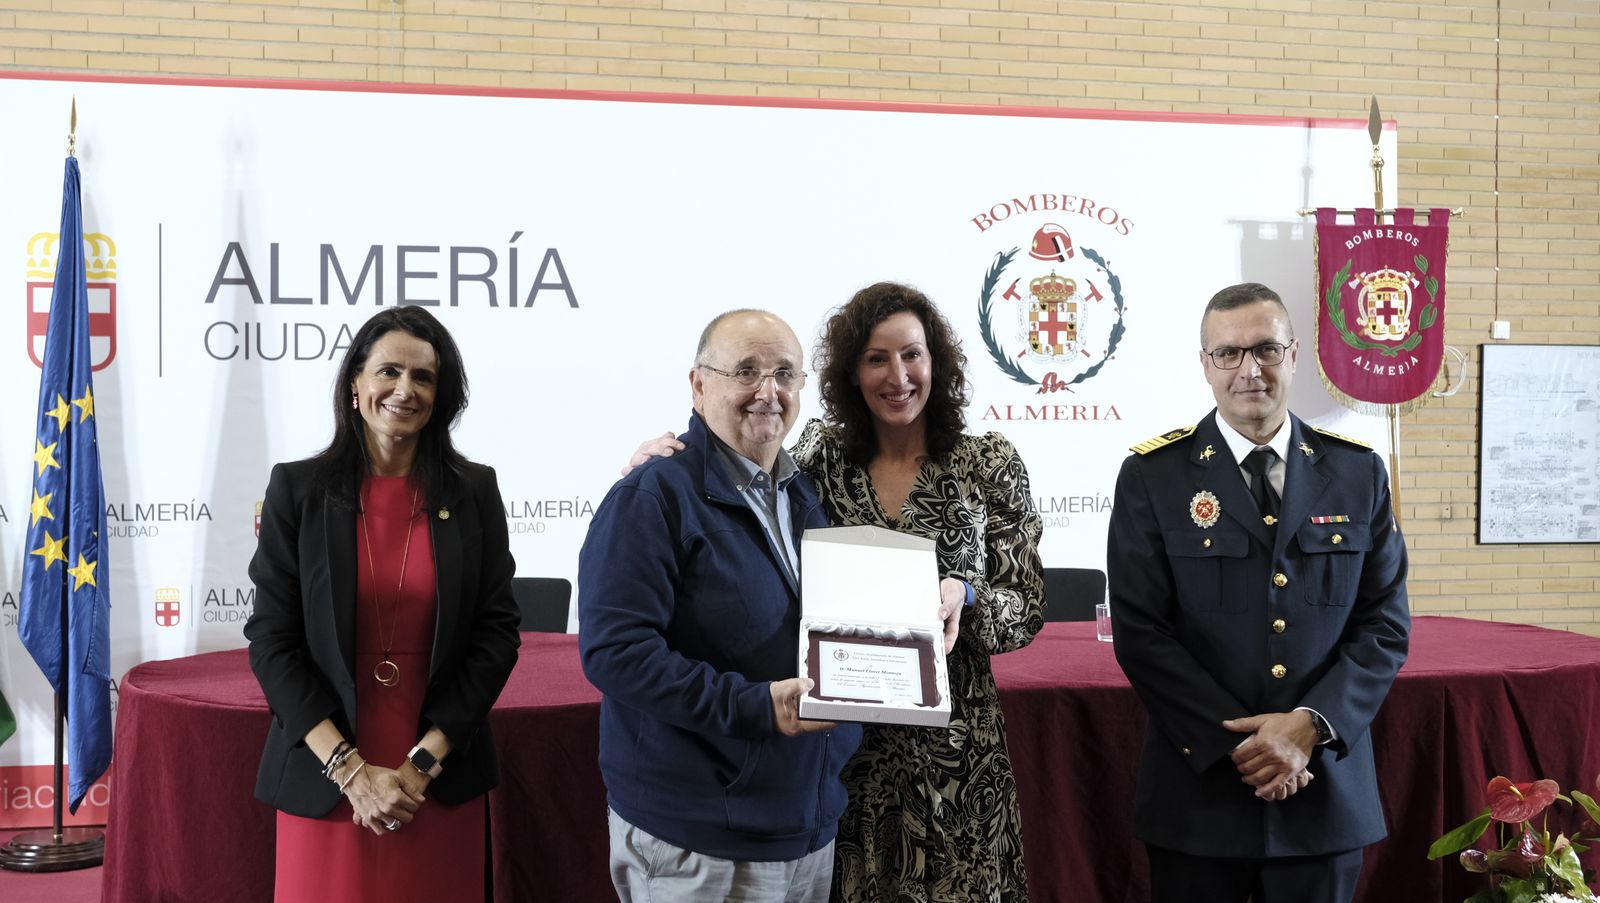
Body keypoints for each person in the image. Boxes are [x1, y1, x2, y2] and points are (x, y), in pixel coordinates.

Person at [626, 284, 1046, 901]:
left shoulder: (987, 463)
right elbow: (743, 460)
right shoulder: (821, 458)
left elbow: (1027, 605)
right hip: (843, 755)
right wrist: (670, 457)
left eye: (912, 355)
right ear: (852, 372)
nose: (898, 376)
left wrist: (968, 594)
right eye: (877, 359)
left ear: (937, 362)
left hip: (958, 756)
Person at [1107, 282, 1410, 903]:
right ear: (1205, 364)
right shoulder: (1153, 476)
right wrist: (1246, 746)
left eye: (1267, 349)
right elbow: (1140, 632)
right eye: (1229, 353)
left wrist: (1309, 727)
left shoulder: (1357, 472)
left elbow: (1384, 624)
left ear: (1294, 355)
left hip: (1322, 792)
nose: (1250, 370)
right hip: (1201, 796)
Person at [579, 309, 864, 903]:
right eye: (746, 371)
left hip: (806, 825)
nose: (769, 391)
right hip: (698, 838)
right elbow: (616, 654)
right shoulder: (651, 495)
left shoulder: (803, 493)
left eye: (785, 373)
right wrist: (757, 706)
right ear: (699, 385)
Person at [245, 306, 522, 903]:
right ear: (356, 383)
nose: (404, 390)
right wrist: (348, 770)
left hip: (436, 775)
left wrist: (422, 765)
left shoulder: (473, 492)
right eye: (389, 371)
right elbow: (271, 642)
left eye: (423, 377)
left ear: (441, 396)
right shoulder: (297, 490)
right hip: (327, 771)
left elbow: (496, 635)